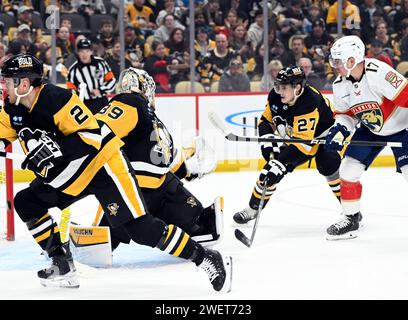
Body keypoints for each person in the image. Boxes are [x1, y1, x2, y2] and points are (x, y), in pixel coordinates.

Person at [0, 53, 232, 292]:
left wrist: (57, 149)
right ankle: (61, 262)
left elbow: (93, 136)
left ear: (24, 84)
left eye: (7, 81)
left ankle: (205, 258)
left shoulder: (58, 99)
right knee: (26, 202)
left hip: (104, 166)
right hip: (70, 173)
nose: (3, 86)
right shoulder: (11, 111)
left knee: (141, 229)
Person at [93, 68, 221, 251]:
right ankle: (97, 240)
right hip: (135, 186)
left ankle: (197, 223)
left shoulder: (149, 115)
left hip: (157, 186)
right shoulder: (130, 101)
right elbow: (99, 129)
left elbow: (164, 154)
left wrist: (187, 168)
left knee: (190, 211)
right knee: (114, 229)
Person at [233, 66, 344, 226]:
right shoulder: (275, 96)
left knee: (329, 166)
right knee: (270, 171)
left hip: (326, 135)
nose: (279, 90)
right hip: (301, 138)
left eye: (284, 87)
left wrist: (280, 163)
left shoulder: (309, 101)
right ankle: (253, 209)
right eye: (277, 85)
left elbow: (303, 145)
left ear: (297, 88)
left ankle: (351, 211)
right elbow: (265, 121)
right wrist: (267, 143)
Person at [324, 35, 408, 240]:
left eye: (338, 61)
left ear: (352, 60)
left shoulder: (378, 72)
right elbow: (346, 115)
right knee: (348, 169)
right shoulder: (339, 84)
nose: (335, 65)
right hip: (371, 129)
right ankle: (351, 218)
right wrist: (339, 130)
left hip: (403, 127)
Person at [66, 39, 116, 114]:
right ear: (78, 52)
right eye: (82, 51)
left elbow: (111, 80)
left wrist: (100, 90)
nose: (84, 54)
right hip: (84, 105)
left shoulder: (101, 63)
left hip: (102, 102)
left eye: (87, 51)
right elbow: (71, 90)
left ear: (91, 51)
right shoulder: (73, 70)